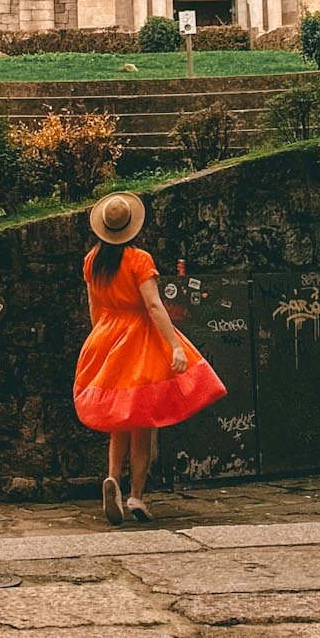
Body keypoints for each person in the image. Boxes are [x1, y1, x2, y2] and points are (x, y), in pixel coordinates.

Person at [73, 192, 226, 524]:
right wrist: (174, 346)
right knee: (142, 422)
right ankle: (136, 497)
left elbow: (94, 308)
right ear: (132, 227)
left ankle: (112, 479)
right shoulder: (138, 259)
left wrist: (100, 341)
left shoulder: (92, 260)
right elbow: (154, 306)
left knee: (119, 420)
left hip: (105, 336)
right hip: (139, 338)